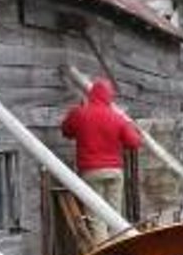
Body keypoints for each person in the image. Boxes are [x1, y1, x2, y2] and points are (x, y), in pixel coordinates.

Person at [60, 78, 141, 214]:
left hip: (91, 171)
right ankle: (118, 235)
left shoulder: (79, 113)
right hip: (115, 171)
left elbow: (66, 131)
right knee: (115, 215)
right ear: (109, 97)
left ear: (91, 94)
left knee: (96, 215)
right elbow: (134, 142)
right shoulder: (118, 118)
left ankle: (102, 236)